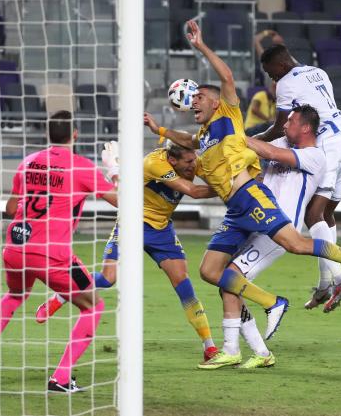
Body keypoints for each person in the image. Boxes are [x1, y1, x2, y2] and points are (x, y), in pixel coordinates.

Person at [149, 20, 341, 368]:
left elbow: (236, 93)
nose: (194, 102)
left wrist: (201, 46)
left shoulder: (294, 146)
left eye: (201, 97)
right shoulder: (208, 136)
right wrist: (158, 129)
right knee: (213, 272)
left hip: (257, 205)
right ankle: (249, 347)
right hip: (236, 211)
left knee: (295, 242)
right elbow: (192, 144)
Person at [0, 111, 118, 393]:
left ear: (47, 134)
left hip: (15, 247)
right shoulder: (81, 167)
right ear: (74, 134)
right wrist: (112, 170)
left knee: (14, 295)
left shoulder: (28, 162)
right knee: (93, 306)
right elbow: (123, 202)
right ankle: (60, 378)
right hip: (52, 255)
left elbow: (11, 209)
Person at [35, 142, 220, 363]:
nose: (194, 165)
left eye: (194, 159)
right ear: (172, 161)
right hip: (133, 223)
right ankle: (61, 295)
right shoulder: (155, 164)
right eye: (189, 162)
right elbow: (194, 191)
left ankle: (209, 347)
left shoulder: (190, 161)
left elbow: (208, 173)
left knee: (183, 284)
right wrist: (227, 187)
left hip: (161, 230)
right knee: (107, 278)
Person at [253, 44, 341, 311]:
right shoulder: (318, 72)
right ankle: (325, 284)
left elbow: (279, 127)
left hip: (327, 145)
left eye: (271, 73)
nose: (272, 79)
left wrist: (250, 141)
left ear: (280, 65)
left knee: (312, 215)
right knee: (326, 216)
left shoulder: (285, 83)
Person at [218, 104, 326, 369]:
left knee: (231, 278)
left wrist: (234, 136)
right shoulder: (282, 141)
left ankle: (235, 345)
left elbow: (268, 150)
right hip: (256, 222)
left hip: (279, 231)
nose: (284, 125)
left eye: (290, 122)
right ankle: (260, 352)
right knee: (226, 284)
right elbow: (260, 147)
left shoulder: (315, 156)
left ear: (306, 128)